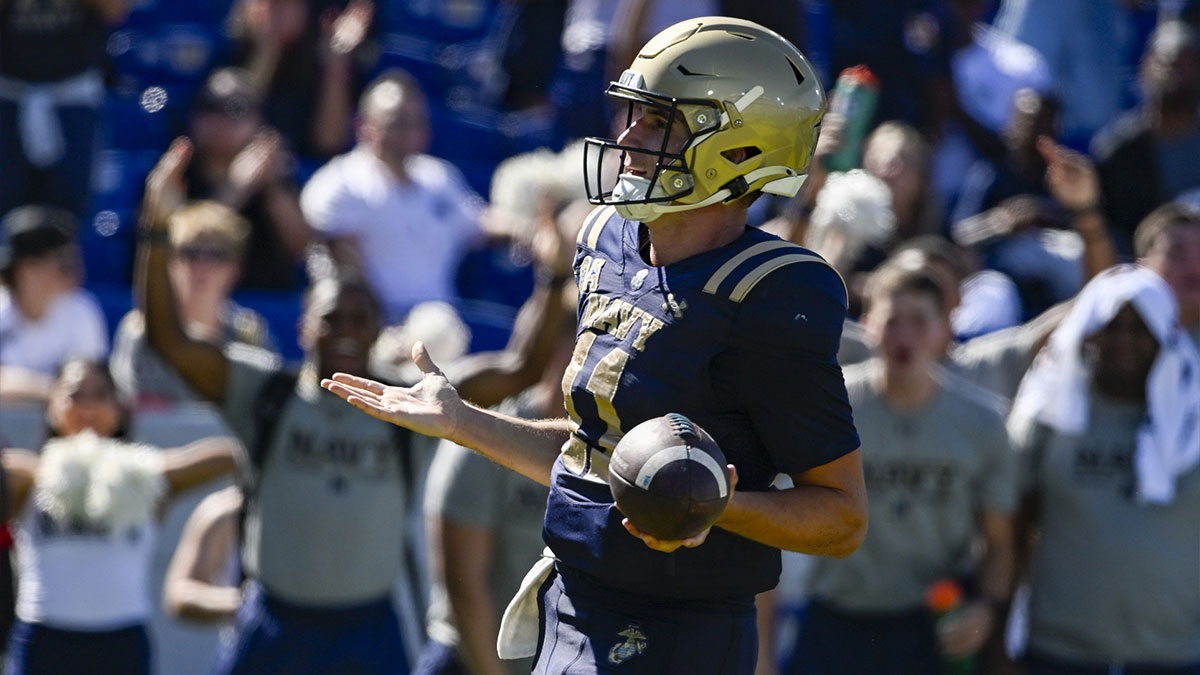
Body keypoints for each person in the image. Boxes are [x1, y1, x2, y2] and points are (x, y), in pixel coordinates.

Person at [323, 17, 867, 675]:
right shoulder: (607, 240)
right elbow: (597, 458)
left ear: (743, 149)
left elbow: (841, 517)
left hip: (678, 632)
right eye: (633, 115)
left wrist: (714, 506)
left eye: (661, 122)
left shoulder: (774, 292)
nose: (628, 137)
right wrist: (462, 421)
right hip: (573, 603)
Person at [139, 135, 575, 674]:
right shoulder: (264, 390)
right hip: (275, 619)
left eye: (358, 319)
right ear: (303, 327)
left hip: (368, 628)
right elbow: (169, 342)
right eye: (330, 319)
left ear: (377, 329)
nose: (344, 331)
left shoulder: (410, 400)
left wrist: (553, 277)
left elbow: (520, 370)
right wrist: (156, 231)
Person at [784, 267, 1016, 674]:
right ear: (868, 327)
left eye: (920, 322)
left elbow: (1000, 541)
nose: (904, 336)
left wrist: (986, 609)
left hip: (932, 621)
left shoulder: (982, 422)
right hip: (835, 619)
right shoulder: (832, 407)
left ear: (945, 330)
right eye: (892, 321)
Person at [1007, 264, 1200, 673]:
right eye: (1112, 326)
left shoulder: (1195, 418)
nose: (1125, 341)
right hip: (1059, 653)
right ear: (1087, 331)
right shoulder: (1047, 412)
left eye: (1141, 328)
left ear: (1166, 334)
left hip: (1175, 656)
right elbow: (1010, 526)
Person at [1, 359, 238, 675]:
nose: (88, 407)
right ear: (52, 406)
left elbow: (228, 455)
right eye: (74, 395)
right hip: (44, 641)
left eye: (100, 395)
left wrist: (133, 467)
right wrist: (57, 469)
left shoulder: (146, 478)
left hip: (120, 645)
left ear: (119, 410)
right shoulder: (28, 480)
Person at [415, 300, 575, 675]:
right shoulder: (491, 436)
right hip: (471, 661)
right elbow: (465, 588)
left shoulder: (610, 446)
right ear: (557, 349)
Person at [300, 69, 485, 324]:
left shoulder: (440, 176)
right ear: (364, 125)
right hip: (376, 329)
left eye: (416, 122)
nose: (408, 132)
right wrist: (379, 327)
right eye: (396, 122)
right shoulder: (337, 183)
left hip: (444, 326)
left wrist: (528, 223)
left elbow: (480, 224)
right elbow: (342, 266)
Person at [109, 200, 276, 410]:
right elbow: (129, 405)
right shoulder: (138, 329)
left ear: (236, 268)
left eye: (215, 255)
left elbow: (263, 406)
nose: (201, 266)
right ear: (168, 263)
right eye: (190, 253)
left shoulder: (251, 332)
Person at [180, 67, 313, 291]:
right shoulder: (175, 172)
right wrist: (237, 187)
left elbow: (303, 249)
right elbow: (180, 247)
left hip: (264, 306)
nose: (220, 118)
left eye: (236, 107)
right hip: (191, 300)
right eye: (210, 106)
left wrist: (273, 186)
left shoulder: (277, 177)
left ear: (258, 120)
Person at [0, 0, 128, 218]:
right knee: (7, 204)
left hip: (73, 99)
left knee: (68, 209)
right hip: (9, 95)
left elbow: (115, 10)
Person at [1092, 20, 1200, 255]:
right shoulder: (1117, 151)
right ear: (1144, 68)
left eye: (1188, 62)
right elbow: (1110, 233)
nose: (1176, 71)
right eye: (1166, 61)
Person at [0, 205, 107, 402]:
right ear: (28, 269)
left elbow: (90, 389)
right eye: (64, 264)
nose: (77, 272)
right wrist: (53, 389)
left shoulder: (82, 310)